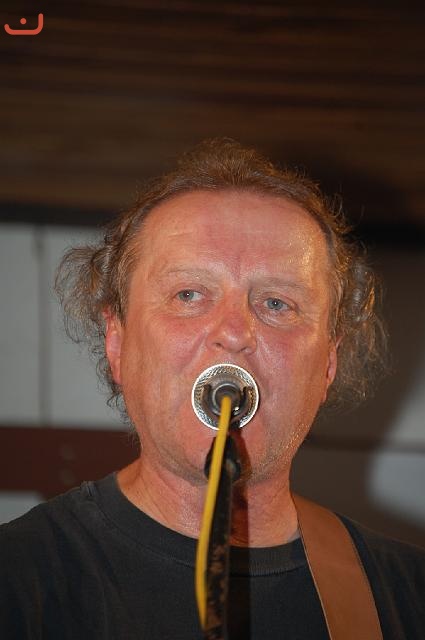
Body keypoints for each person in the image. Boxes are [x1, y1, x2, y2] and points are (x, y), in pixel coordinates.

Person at [0, 139, 423, 639]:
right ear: (117, 343)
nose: (235, 332)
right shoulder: (17, 579)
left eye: (277, 303)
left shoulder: (408, 599)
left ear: (328, 362)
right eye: (189, 294)